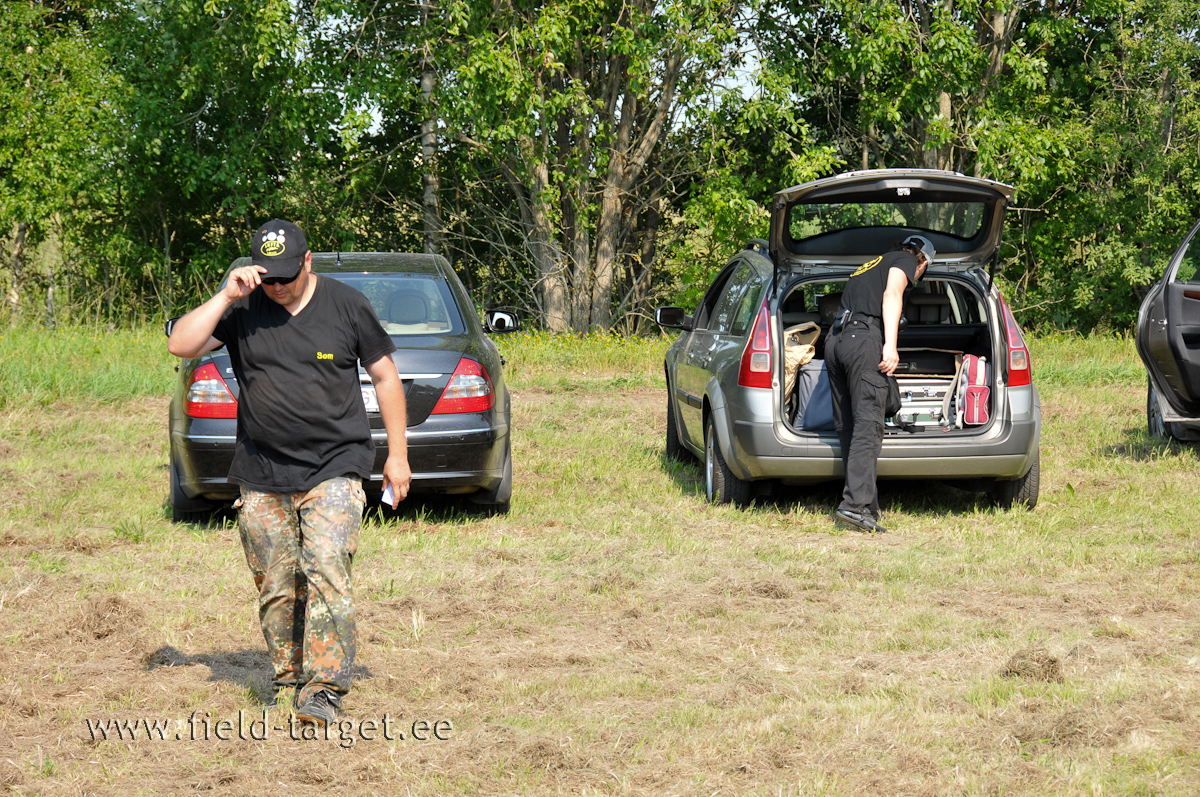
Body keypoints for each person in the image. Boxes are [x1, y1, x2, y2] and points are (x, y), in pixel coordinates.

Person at [167, 219, 412, 726]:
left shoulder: (346, 305)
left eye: (286, 275)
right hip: (261, 471)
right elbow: (181, 346)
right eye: (267, 277)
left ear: (307, 261)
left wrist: (398, 454)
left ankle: (323, 690)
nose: (277, 286)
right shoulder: (243, 309)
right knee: (277, 584)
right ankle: (288, 679)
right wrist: (225, 296)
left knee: (326, 567)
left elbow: (385, 375)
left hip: (335, 466)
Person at [825, 234, 933, 534]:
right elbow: (892, 295)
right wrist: (890, 346)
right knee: (869, 423)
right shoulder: (906, 260)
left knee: (849, 424)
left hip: (835, 340)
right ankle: (855, 506)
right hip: (862, 338)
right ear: (922, 260)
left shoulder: (873, 263)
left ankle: (865, 505)